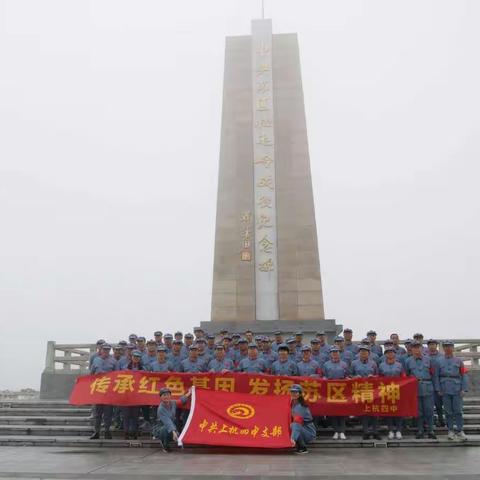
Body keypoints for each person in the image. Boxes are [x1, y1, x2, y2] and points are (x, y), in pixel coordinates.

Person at [405, 340, 440, 439]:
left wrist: (436, 388)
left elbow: (434, 375)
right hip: (415, 389)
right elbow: (406, 376)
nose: (416, 350)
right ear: (411, 349)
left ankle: (431, 430)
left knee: (429, 410)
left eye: (418, 347)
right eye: (414, 347)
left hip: (428, 387)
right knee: (418, 411)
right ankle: (420, 430)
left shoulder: (429, 360)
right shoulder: (408, 361)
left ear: (422, 348)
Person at [437, 340, 469, 440]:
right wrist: (438, 389)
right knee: (448, 411)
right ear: (443, 348)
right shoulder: (439, 361)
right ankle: (450, 430)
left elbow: (464, 375)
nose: (448, 348)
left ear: (453, 348)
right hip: (445, 388)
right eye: (446, 346)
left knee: (458, 411)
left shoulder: (459, 361)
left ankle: (460, 430)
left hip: (457, 388)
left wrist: (464, 388)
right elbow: (436, 376)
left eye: (450, 346)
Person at [351, 345, 380, 440]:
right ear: (359, 353)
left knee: (374, 411)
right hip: (360, 390)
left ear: (369, 353)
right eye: (362, 352)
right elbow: (349, 375)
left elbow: (378, 376)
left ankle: (375, 431)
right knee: (364, 411)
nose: (363, 354)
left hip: (372, 390)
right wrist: (355, 377)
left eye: (365, 352)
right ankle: (366, 431)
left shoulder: (373, 364)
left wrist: (373, 377)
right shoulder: (354, 363)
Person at [90, 344, 117, 439]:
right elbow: (91, 373)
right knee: (97, 413)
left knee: (108, 413)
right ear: (101, 350)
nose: (106, 351)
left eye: (108, 350)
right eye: (104, 349)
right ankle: (96, 432)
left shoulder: (113, 361)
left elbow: (117, 375)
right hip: (98, 389)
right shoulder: (96, 360)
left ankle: (107, 431)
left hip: (109, 390)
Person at [322, 346, 349, 440]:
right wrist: (324, 379)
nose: (335, 354)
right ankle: (336, 431)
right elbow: (323, 376)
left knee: (342, 412)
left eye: (336, 352)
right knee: (332, 412)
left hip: (342, 391)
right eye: (333, 352)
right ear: (330, 354)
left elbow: (347, 376)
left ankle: (342, 431)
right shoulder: (326, 364)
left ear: (339, 353)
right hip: (331, 391)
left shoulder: (344, 364)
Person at [379, 346, 405, 439]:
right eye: (388, 352)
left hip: (397, 390)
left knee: (398, 411)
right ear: (385, 354)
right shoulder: (381, 365)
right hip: (386, 390)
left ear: (395, 354)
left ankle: (398, 430)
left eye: (392, 352)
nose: (390, 354)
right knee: (388, 411)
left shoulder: (399, 365)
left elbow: (403, 377)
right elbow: (379, 378)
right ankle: (390, 430)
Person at [154, 387, 192, 452]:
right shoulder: (161, 409)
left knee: (175, 434)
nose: (166, 397)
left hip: (171, 426)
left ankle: (170, 437)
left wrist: (189, 393)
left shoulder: (173, 403)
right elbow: (167, 422)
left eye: (168, 395)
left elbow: (181, 401)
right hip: (161, 428)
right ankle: (165, 445)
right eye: (164, 395)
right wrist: (173, 432)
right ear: (161, 397)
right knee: (167, 429)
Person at [123, 350, 144, 439]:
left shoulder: (143, 369)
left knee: (135, 416)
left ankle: (134, 432)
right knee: (126, 415)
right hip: (127, 395)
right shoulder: (125, 368)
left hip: (137, 396)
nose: (136, 358)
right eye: (134, 356)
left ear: (140, 358)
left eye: (138, 357)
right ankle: (126, 432)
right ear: (131, 357)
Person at [289, 384, 316, 454]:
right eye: (292, 392)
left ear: (300, 394)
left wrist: (293, 438)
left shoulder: (301, 406)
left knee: (293, 425)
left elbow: (297, 421)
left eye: (296, 392)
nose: (293, 394)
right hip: (301, 429)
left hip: (308, 432)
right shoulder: (292, 403)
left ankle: (302, 447)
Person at [427, 339, 445, 427]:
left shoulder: (442, 356)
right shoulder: (425, 357)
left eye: (433, 344)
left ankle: (441, 419)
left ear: (436, 345)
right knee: (429, 404)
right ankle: (431, 421)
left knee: (439, 404)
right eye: (430, 344)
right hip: (428, 382)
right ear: (428, 346)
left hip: (440, 382)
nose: (432, 346)